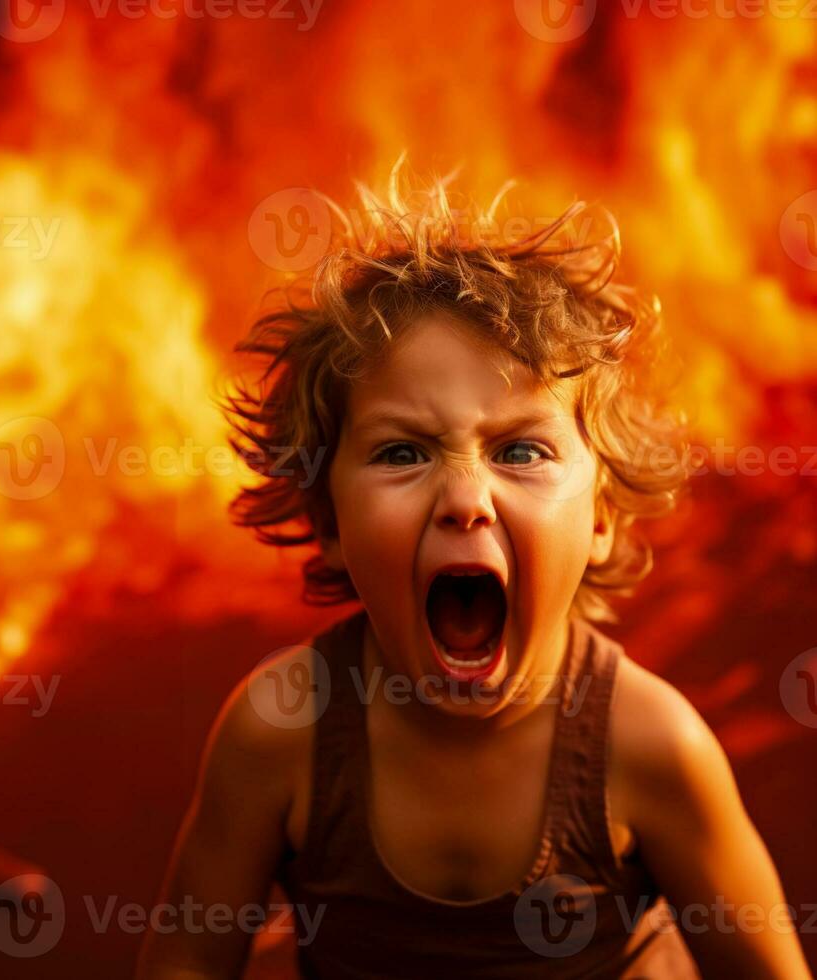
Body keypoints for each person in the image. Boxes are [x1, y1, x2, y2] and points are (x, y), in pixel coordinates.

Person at [139, 162, 812, 978]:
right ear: (327, 521)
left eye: (521, 450)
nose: (465, 500)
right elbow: (183, 965)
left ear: (599, 516)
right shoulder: (280, 732)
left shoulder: (649, 745)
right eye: (401, 452)